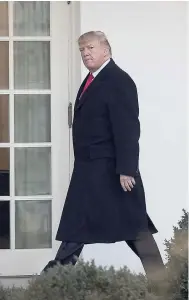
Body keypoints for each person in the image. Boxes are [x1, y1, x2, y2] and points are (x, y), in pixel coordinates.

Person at [43, 31, 166, 288]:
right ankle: (51, 283)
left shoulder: (118, 81)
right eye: (82, 50)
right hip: (90, 172)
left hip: (113, 173)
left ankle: (163, 284)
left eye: (89, 48)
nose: (85, 53)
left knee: (135, 228)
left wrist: (127, 170)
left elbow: (128, 129)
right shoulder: (92, 79)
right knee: (77, 228)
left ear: (106, 50)